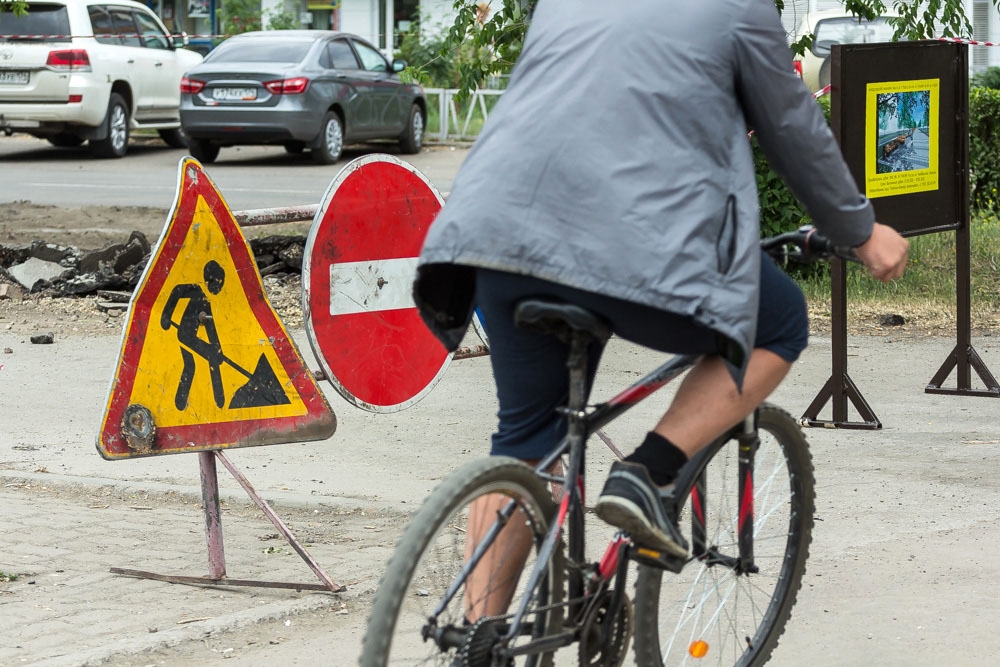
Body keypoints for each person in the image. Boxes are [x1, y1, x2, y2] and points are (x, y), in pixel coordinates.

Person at [413, 0, 909, 620]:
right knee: (778, 322)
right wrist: (861, 232)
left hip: (494, 234)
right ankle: (648, 471)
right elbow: (792, 129)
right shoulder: (737, 8)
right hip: (631, 241)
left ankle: (478, 639)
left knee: (526, 443)